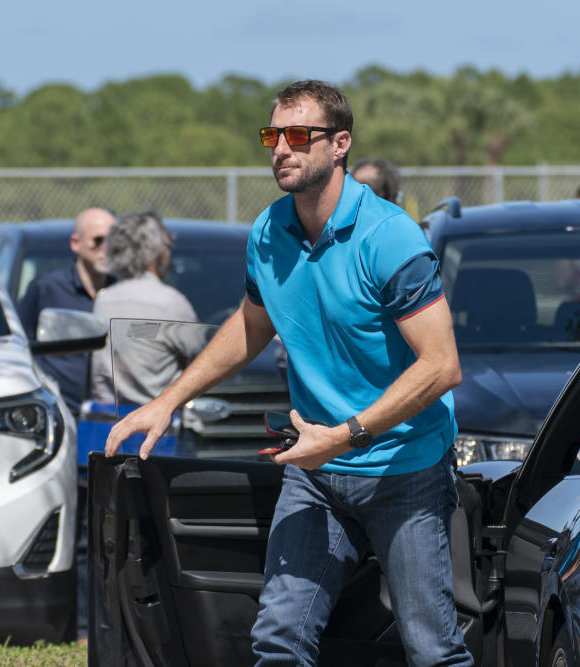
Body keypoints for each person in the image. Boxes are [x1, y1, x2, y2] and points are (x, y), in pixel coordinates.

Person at [103, 80, 473, 667]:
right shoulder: (269, 231)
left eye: (299, 135)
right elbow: (251, 326)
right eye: (272, 135)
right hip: (314, 470)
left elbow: (441, 366)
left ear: (340, 144)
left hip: (403, 467)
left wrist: (347, 434)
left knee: (431, 650)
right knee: (279, 638)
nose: (281, 148)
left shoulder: (390, 237)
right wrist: (167, 399)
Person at [89, 209, 200, 406]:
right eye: (167, 246)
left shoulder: (103, 301)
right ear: (156, 251)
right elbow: (203, 360)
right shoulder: (171, 304)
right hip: (158, 419)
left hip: (107, 418)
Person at [16, 206, 116, 418]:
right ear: (76, 243)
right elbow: (19, 345)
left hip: (113, 414)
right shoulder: (46, 289)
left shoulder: (123, 292)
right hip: (60, 413)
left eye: (113, 240)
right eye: (98, 240)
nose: (106, 248)